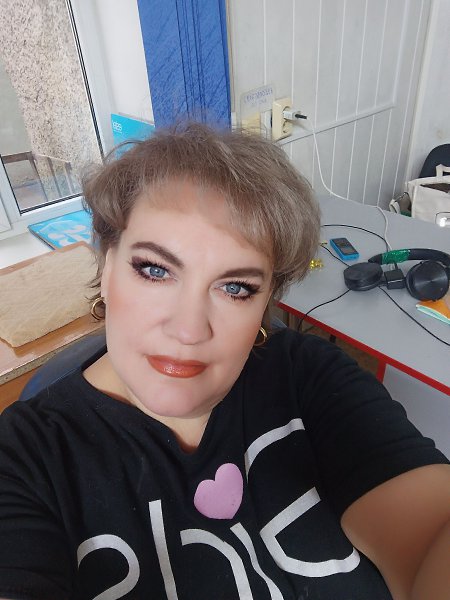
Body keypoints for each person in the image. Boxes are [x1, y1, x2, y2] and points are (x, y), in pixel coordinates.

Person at [0, 123, 449, 600]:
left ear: (266, 302)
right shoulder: (24, 459)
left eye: (235, 287)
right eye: (155, 270)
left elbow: (427, 538)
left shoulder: (310, 376)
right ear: (107, 268)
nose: (189, 330)